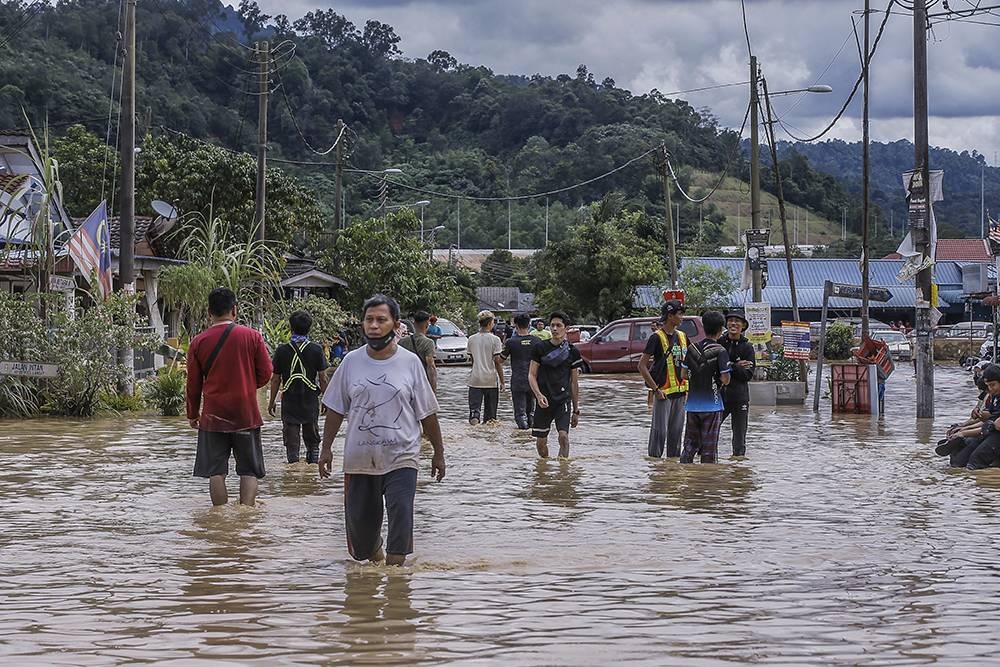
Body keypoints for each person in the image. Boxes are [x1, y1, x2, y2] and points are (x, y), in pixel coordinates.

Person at [318, 294, 446, 566]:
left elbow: (427, 413)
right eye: (369, 320)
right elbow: (336, 409)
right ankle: (377, 566)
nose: (374, 326)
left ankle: (396, 590)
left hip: (402, 457)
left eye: (381, 320)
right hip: (360, 461)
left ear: (395, 324)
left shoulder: (410, 362)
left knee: (400, 519)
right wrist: (326, 448)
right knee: (363, 545)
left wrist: (438, 452)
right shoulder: (351, 362)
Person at [186, 287, 273, 506]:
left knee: (216, 472)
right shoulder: (252, 336)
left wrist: (192, 414)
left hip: (213, 415)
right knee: (249, 470)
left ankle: (220, 521)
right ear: (234, 310)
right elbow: (266, 373)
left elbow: (193, 385)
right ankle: (245, 519)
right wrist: (247, 385)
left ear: (209, 313)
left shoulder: (198, 342)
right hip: (245, 413)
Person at [268, 310, 330, 465]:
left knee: (291, 440)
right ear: (309, 328)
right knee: (312, 440)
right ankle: (313, 472)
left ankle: (292, 471)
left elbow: (275, 380)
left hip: (289, 402)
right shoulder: (316, 349)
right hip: (310, 401)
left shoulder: (282, 350)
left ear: (291, 327)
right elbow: (323, 378)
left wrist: (271, 401)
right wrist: (327, 400)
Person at [638, 300, 689, 458]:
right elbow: (642, 365)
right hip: (663, 394)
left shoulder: (683, 336)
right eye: (679, 314)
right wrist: (656, 390)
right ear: (670, 316)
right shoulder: (656, 338)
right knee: (659, 434)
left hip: (680, 394)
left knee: (676, 435)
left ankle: (672, 471)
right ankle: (655, 470)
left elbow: (690, 362)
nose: (682, 317)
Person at [529, 311, 583, 458]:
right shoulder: (539, 348)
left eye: (558, 325)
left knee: (563, 437)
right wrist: (538, 395)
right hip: (543, 401)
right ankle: (544, 469)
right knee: (541, 443)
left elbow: (574, 382)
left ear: (566, 328)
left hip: (563, 400)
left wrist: (576, 409)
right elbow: (532, 375)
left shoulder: (572, 352)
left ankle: (563, 474)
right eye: (552, 325)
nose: (554, 329)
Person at [679, 310, 731, 464]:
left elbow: (683, 374)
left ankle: (685, 474)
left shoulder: (692, 349)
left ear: (704, 327)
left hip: (692, 406)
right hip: (712, 406)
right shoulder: (721, 351)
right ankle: (706, 482)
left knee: (689, 446)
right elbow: (726, 379)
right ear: (720, 330)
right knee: (709, 449)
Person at [720, 310, 756, 458]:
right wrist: (736, 366)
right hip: (719, 397)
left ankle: (738, 469)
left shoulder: (748, 348)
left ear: (743, 326)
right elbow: (715, 369)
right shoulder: (719, 343)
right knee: (709, 431)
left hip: (740, 398)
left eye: (737, 321)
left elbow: (747, 375)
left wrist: (727, 366)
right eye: (731, 320)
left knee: (739, 440)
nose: (733, 323)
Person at [466, 309, 505, 424]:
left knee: (474, 411)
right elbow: (497, 362)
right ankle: (488, 439)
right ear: (489, 324)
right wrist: (502, 381)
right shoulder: (495, 340)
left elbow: (472, 361)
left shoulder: (471, 339)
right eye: (493, 322)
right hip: (490, 380)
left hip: (475, 379)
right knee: (491, 418)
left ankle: (473, 432)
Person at [501, 313, 537, 429]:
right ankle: (531, 436)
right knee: (531, 411)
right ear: (529, 325)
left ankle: (522, 435)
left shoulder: (511, 342)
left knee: (520, 413)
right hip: (533, 380)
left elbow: (501, 360)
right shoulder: (537, 341)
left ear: (516, 325)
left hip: (517, 380)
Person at [398, 310, 438, 393]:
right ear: (427, 324)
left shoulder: (402, 342)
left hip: (405, 383)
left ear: (414, 324)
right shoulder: (428, 343)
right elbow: (430, 366)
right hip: (422, 384)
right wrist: (433, 390)